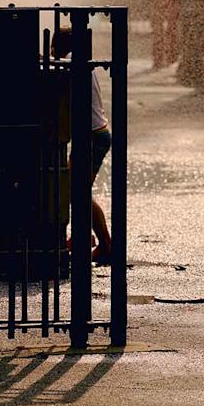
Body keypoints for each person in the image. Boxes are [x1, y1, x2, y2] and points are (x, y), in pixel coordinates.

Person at [52, 26, 113, 265]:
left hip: (92, 137)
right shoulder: (81, 63)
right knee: (75, 191)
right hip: (93, 135)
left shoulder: (72, 65)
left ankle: (105, 245)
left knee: (76, 192)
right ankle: (85, 238)